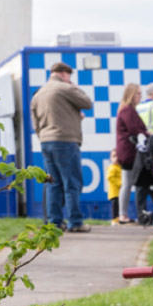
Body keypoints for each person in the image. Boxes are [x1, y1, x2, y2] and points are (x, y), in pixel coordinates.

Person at [30, 60, 94, 233]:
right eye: (69, 77)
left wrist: (44, 136)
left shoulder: (39, 93)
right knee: (72, 182)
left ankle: (54, 222)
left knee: (53, 183)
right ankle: (75, 222)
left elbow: (35, 122)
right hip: (65, 141)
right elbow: (87, 103)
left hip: (46, 141)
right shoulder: (65, 88)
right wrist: (73, 87)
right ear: (65, 74)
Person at [113, 83, 146, 224]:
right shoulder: (128, 111)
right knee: (129, 183)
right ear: (132, 95)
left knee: (128, 183)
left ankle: (123, 214)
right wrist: (147, 133)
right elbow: (134, 130)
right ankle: (123, 214)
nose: (140, 96)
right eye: (138, 93)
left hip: (126, 151)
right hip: (129, 152)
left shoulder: (126, 110)